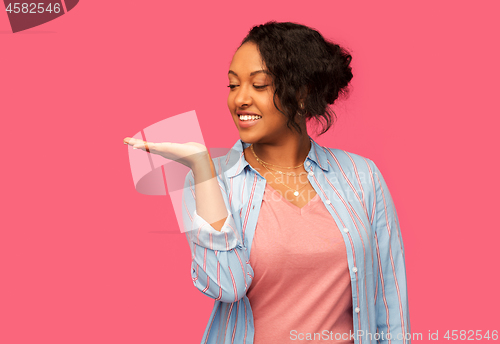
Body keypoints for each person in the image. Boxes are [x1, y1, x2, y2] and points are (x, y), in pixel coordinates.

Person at [123, 21, 410, 344]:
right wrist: (202, 169)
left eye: (259, 85)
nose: (240, 100)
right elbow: (226, 285)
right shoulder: (210, 182)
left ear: (302, 94)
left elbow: (389, 301)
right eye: (233, 86)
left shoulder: (362, 177)